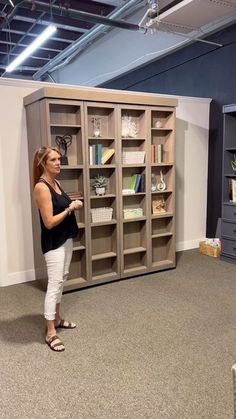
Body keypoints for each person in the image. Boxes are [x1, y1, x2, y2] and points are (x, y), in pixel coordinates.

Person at [32, 146, 83, 352]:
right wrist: (71, 208)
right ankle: (50, 332)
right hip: (53, 242)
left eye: (59, 159)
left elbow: (61, 205)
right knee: (54, 284)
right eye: (53, 159)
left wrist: (71, 204)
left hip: (66, 239)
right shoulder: (41, 187)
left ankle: (58, 318)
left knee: (62, 278)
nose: (58, 163)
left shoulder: (57, 182)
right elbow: (49, 222)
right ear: (43, 163)